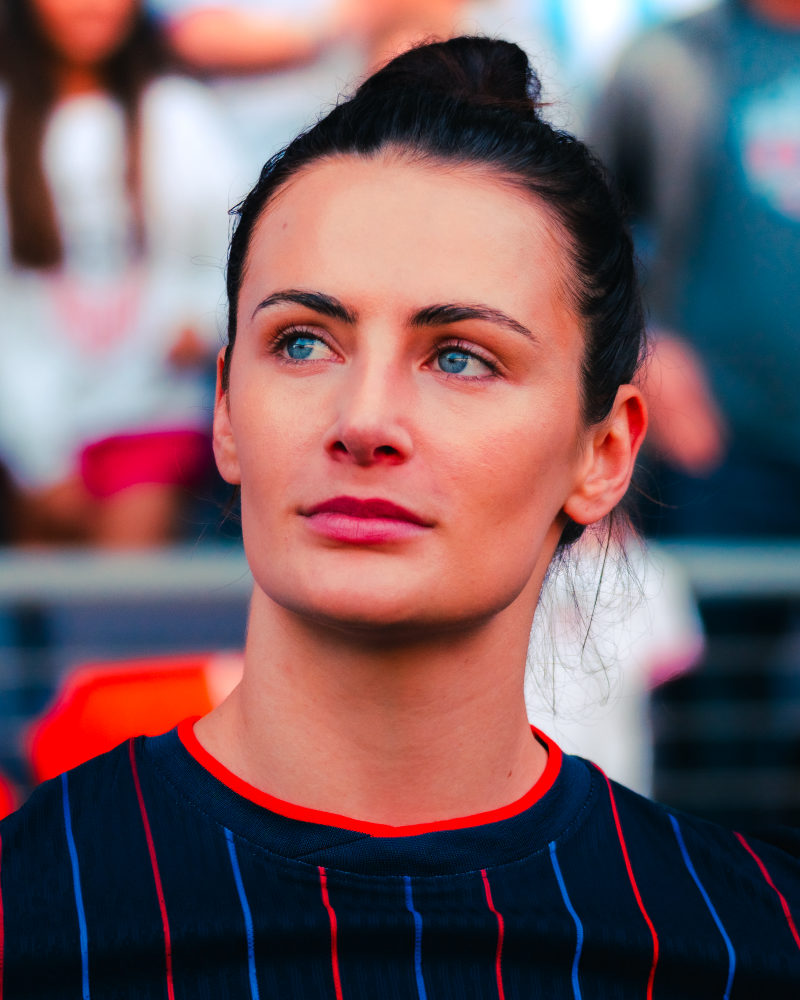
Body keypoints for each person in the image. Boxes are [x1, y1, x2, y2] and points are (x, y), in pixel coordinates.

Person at [0, 36, 798, 997]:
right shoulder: (28, 917)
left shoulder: (744, 944)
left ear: (606, 453)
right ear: (223, 412)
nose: (365, 420)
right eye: (303, 343)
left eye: (460, 355)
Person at [0, 0, 236, 545]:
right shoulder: (8, 121)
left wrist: (201, 322)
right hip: (31, 419)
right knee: (45, 608)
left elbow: (238, 245)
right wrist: (37, 459)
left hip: (151, 406)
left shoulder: (181, 116)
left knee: (117, 605)